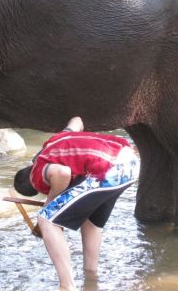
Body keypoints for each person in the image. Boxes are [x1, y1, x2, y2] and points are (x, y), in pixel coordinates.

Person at [14, 117, 139, 291]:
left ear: (34, 186)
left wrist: (49, 203)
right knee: (91, 224)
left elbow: (62, 173)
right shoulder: (56, 140)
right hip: (130, 162)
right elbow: (78, 120)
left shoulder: (36, 173)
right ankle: (91, 281)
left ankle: (67, 287)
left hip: (109, 170)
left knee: (46, 220)